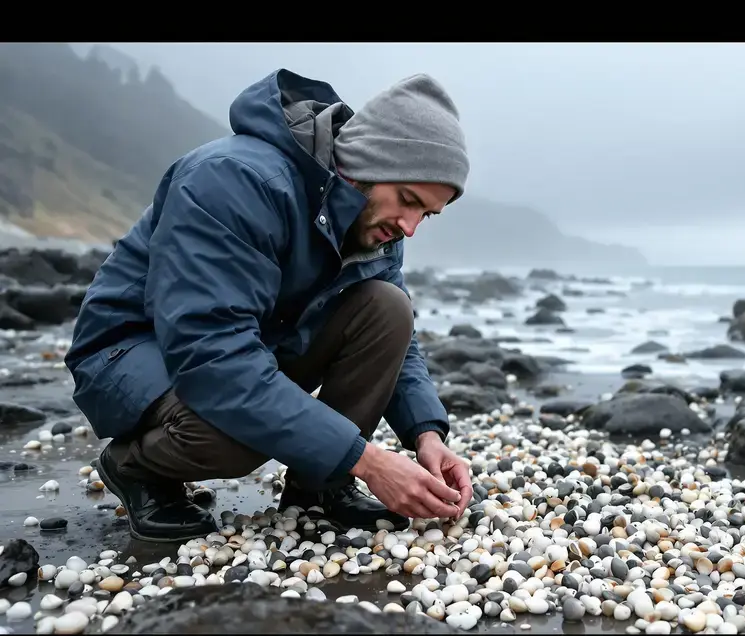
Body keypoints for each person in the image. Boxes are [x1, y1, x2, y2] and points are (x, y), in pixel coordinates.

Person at [64, 69, 474, 543]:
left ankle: (320, 488)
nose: (410, 227)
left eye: (426, 213)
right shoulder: (233, 180)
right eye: (407, 200)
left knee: (388, 307)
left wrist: (426, 435)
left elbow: (396, 339)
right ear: (368, 162)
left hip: (249, 343)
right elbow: (215, 359)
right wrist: (369, 462)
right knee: (238, 437)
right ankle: (134, 467)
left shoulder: (373, 222)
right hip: (131, 349)